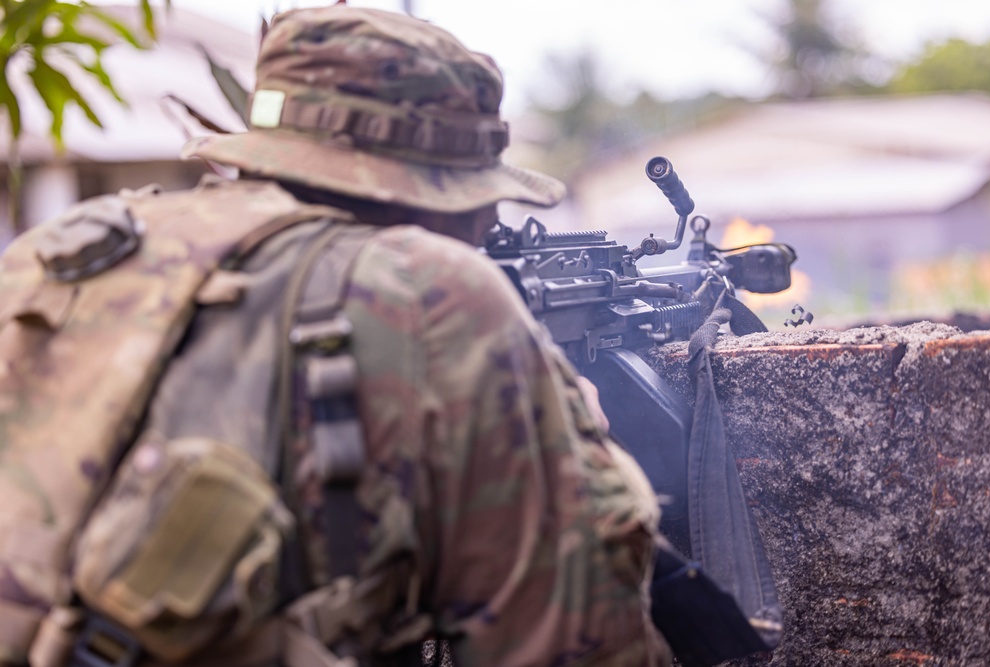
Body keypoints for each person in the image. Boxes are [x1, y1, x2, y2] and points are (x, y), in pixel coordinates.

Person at [0, 5, 670, 667]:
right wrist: (574, 442)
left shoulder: (60, 258)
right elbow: (577, 639)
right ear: (440, 194)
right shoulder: (431, 295)